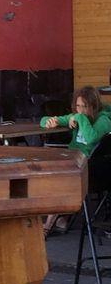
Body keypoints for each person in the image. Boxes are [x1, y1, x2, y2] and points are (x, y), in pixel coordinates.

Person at [40, 85, 111, 236]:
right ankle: (61, 219)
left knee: (61, 178)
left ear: (94, 106)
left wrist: (80, 118)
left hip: (90, 168)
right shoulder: (77, 117)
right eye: (77, 106)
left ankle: (49, 224)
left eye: (84, 106)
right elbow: (44, 121)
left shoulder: (103, 120)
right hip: (73, 163)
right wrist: (50, 121)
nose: (80, 110)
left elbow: (91, 138)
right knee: (54, 173)